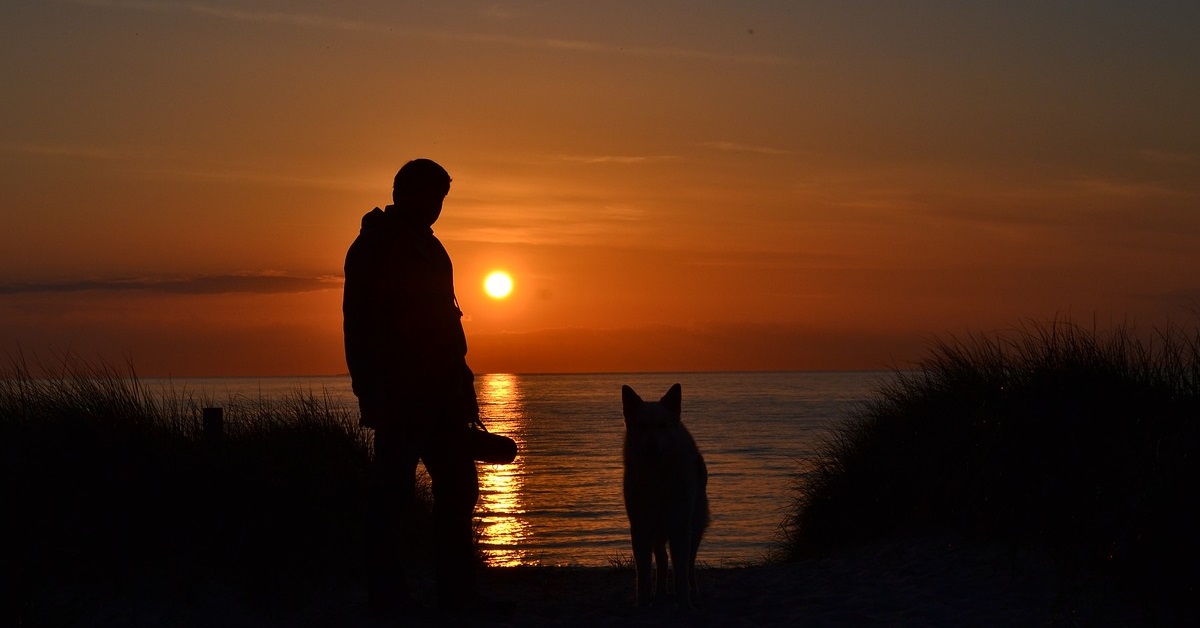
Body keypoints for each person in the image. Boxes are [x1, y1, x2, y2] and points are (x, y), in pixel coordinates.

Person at [342, 158, 492, 615]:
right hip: (400, 393)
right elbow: (359, 326)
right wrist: (371, 392)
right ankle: (388, 597)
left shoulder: (431, 247)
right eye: (432, 197)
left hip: (442, 394)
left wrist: (463, 389)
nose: (437, 208)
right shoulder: (373, 246)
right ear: (405, 193)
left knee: (459, 489)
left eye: (442, 200)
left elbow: (448, 323)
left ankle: (456, 597)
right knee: (392, 496)